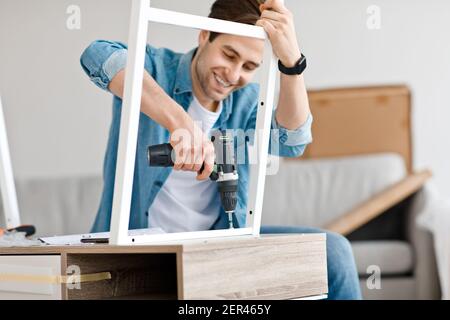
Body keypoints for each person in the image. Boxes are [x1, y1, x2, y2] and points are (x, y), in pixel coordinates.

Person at [80, 0, 362, 299]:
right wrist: (181, 122)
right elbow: (97, 55)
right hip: (141, 248)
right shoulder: (153, 67)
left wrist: (292, 63)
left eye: (249, 66)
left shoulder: (247, 100)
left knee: (334, 251)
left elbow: (292, 142)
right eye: (229, 55)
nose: (233, 74)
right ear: (204, 35)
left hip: (215, 247)